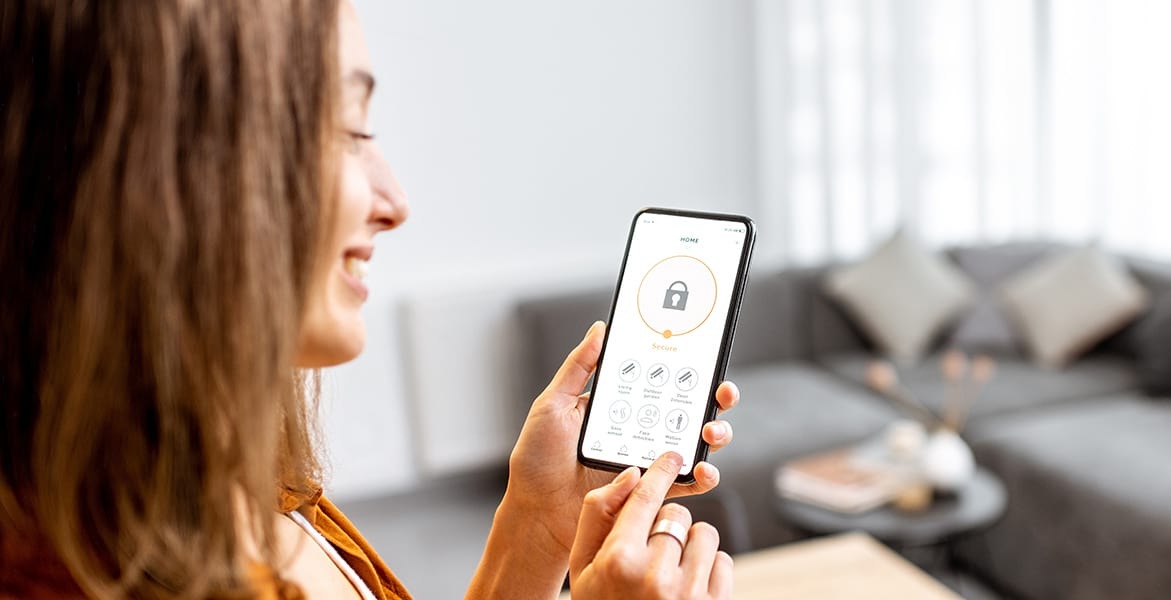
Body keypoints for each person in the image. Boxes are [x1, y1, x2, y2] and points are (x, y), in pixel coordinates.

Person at [0, 1, 739, 598]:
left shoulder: (245, 485)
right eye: (348, 132)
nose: (395, 201)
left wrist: (535, 525)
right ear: (172, 175)